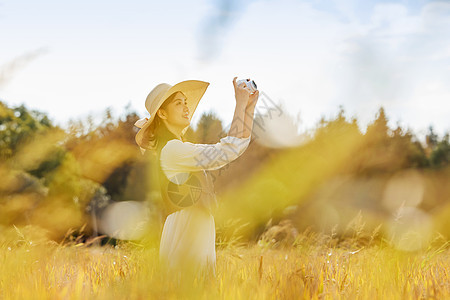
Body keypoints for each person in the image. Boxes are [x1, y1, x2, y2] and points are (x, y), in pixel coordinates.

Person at [134, 77, 259, 283]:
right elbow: (227, 150)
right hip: (187, 229)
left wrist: (248, 108)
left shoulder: (175, 148)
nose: (186, 108)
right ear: (162, 114)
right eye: (178, 103)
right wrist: (240, 104)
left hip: (195, 227)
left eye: (186, 103)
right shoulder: (173, 150)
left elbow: (233, 147)